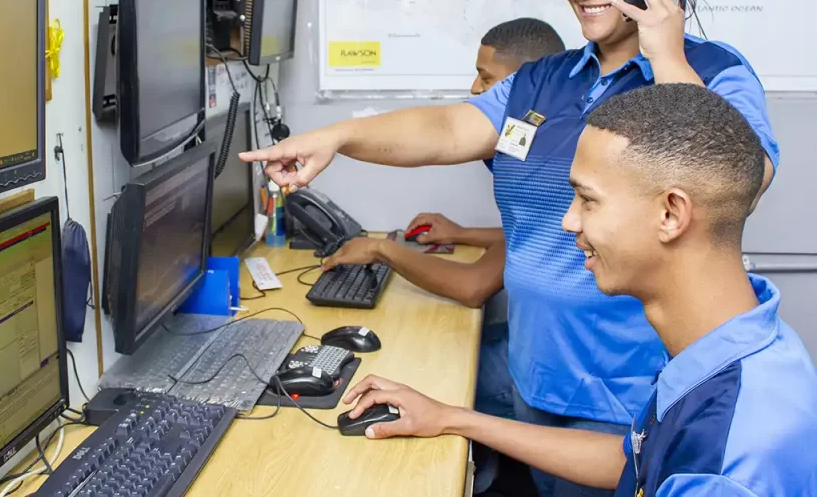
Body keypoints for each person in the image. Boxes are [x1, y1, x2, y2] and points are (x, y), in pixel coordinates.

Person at [241, 0, 779, 495]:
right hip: (535, 368)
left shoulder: (715, 71)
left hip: (630, 390)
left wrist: (665, 54)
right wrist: (337, 137)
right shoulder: (547, 79)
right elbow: (446, 129)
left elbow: (741, 180)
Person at [339, 83, 817, 496]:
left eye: (587, 199)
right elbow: (631, 461)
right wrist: (452, 418)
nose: (569, 222)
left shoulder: (729, 458)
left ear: (671, 214)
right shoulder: (734, 340)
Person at [323, 18, 565, 421]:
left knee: (427, 376)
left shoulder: (558, 163)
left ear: (523, 84)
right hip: (538, 347)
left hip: (552, 375)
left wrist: (384, 249)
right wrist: (462, 233)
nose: (474, 90)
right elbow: (527, 232)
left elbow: (472, 286)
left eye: (485, 78)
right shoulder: (549, 147)